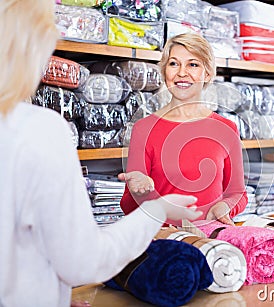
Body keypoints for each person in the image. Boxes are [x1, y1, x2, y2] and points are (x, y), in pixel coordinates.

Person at [0, 1, 202, 307]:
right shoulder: (38, 129)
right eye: (173, 63)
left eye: (193, 64)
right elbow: (85, 259)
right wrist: (155, 209)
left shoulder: (219, 126)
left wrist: (50, 291)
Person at [119, 33, 248, 226]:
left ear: (207, 73)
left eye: (193, 64)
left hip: (210, 240)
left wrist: (225, 206)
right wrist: (139, 192)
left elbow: (237, 193)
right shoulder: (144, 129)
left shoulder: (226, 129)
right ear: (164, 72)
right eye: (173, 64)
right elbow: (128, 206)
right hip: (164, 241)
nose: (181, 73)